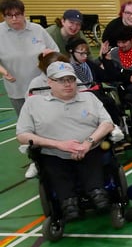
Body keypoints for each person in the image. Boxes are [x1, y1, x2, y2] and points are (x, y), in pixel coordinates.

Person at [16, 62, 118, 224]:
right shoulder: (33, 104)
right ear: (49, 82)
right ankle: (68, 202)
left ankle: (97, 191)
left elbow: (107, 123)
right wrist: (58, 144)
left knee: (97, 157)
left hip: (90, 149)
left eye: (71, 79)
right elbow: (22, 135)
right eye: (61, 80)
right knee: (52, 165)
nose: (68, 84)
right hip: (54, 153)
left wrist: (88, 142)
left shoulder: (89, 97)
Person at [0, 0, 59, 116]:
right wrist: (3, 71)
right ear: (3, 16)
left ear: (24, 13)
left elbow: (56, 52)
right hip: (17, 90)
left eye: (17, 14)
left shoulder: (37, 29)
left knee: (49, 118)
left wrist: (48, 56)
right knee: (26, 122)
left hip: (43, 87)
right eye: (9, 15)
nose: (14, 19)